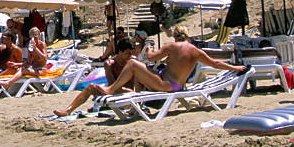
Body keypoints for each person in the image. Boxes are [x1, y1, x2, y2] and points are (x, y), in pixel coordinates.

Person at [99, 26, 248, 96]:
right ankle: (136, 106)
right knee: (139, 74)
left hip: (166, 85)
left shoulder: (170, 46)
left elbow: (150, 58)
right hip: (179, 86)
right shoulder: (196, 50)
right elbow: (216, 64)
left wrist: (150, 49)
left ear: (174, 36)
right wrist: (237, 68)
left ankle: (111, 89)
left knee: (132, 64)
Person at [53, 38, 139, 116]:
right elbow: (112, 84)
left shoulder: (133, 62)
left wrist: (134, 92)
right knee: (91, 87)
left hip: (130, 94)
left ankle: (109, 107)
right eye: (128, 53)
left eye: (131, 53)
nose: (130, 56)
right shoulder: (110, 63)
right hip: (116, 92)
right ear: (120, 51)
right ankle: (68, 110)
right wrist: (128, 91)